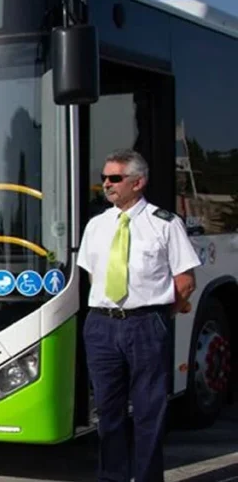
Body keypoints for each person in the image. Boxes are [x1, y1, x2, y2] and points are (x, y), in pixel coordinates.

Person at [77, 149, 201, 482]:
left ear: (138, 182)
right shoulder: (97, 225)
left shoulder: (165, 224)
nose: (106, 184)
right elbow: (93, 275)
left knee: (149, 412)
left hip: (146, 324)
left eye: (115, 178)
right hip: (101, 325)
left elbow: (185, 282)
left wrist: (158, 314)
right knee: (108, 412)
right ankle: (113, 477)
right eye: (104, 177)